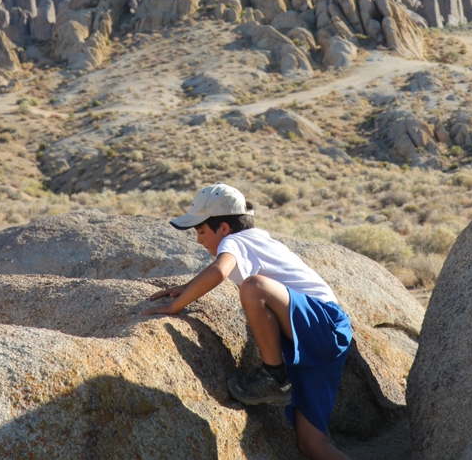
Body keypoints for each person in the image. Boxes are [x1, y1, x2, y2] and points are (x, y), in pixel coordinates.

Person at [142, 183, 353, 460]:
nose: (199, 240)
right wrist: (187, 285)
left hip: (320, 323)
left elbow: (219, 271)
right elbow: (216, 270)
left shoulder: (235, 241)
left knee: (253, 287)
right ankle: (278, 378)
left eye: (202, 231)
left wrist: (175, 306)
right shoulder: (254, 238)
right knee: (311, 445)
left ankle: (274, 377)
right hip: (320, 340)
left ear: (224, 228)